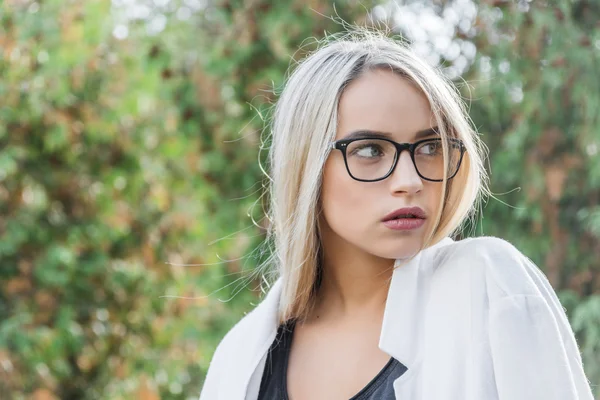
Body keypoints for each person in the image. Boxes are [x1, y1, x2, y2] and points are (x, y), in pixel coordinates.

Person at [199, 28, 595, 400]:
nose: (410, 181)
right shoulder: (240, 358)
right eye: (371, 150)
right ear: (307, 167)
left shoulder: (489, 288)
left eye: (429, 147)